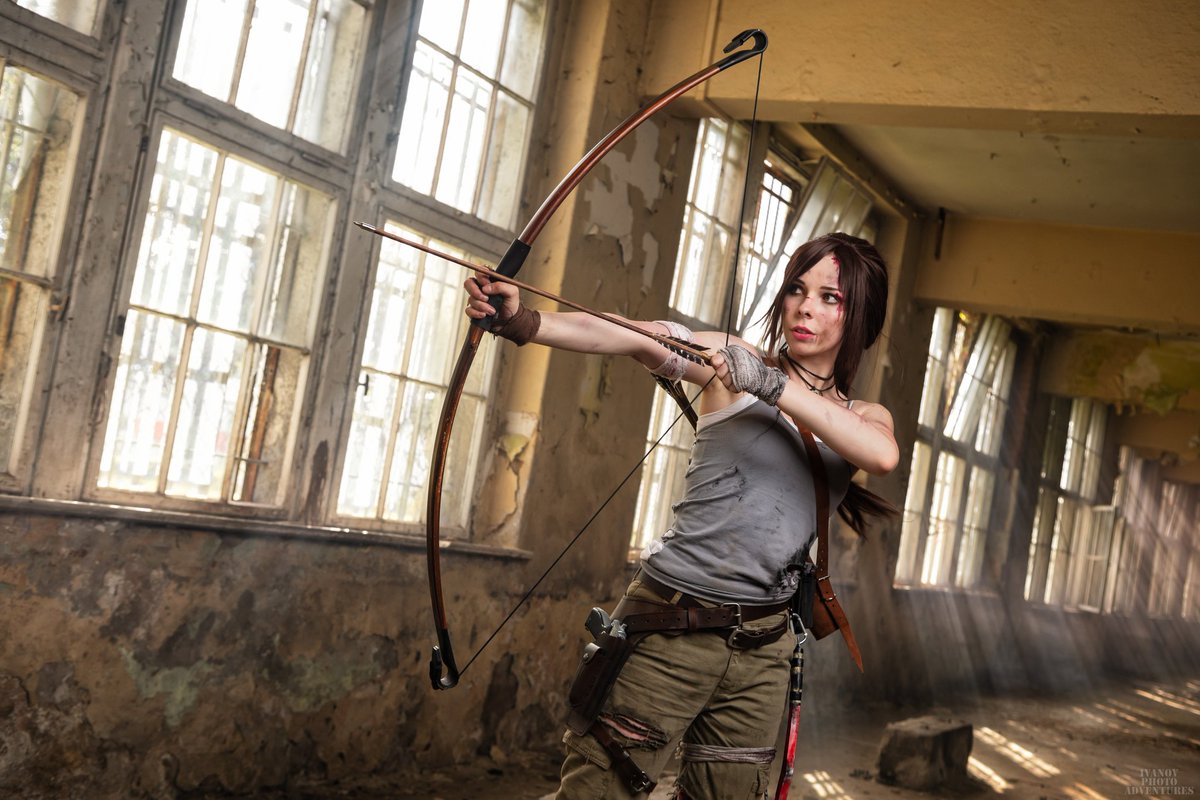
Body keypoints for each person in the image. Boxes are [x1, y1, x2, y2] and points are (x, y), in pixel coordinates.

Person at [464, 231, 899, 799]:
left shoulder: (862, 415)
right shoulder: (734, 363)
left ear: (859, 317)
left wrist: (773, 385)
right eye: (796, 289)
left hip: (763, 647)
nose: (805, 307)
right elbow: (637, 336)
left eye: (830, 298)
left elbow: (881, 454)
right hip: (670, 622)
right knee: (599, 788)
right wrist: (526, 323)